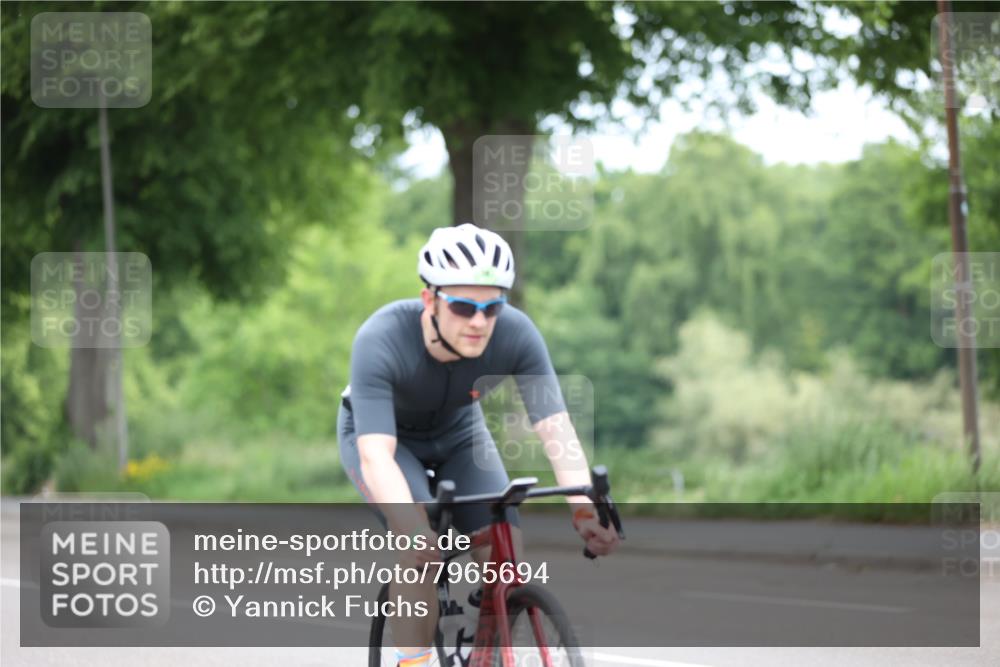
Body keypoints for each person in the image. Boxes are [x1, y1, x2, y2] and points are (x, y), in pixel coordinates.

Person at [338, 222, 619, 666]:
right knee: (418, 554)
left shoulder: (517, 334)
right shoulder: (381, 338)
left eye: (491, 309)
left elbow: (557, 431)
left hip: (459, 432)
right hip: (384, 438)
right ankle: (413, 660)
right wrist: (412, 528)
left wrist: (583, 510)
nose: (478, 322)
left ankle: (486, 649)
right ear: (430, 299)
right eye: (464, 306)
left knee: (505, 555)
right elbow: (377, 456)